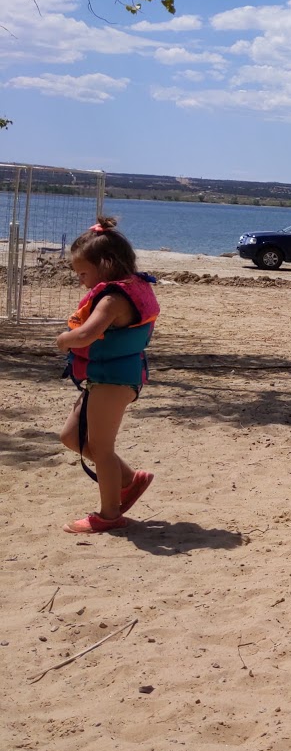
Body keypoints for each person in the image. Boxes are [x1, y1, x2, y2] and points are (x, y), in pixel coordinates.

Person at [55, 217, 160, 534]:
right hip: (103, 376)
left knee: (101, 447)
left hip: (115, 380)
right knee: (71, 437)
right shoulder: (123, 290)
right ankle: (129, 480)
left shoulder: (113, 299)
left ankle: (110, 514)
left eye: (83, 274)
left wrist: (63, 340)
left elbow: (86, 335)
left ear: (106, 265)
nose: (81, 282)